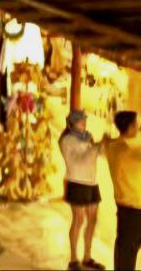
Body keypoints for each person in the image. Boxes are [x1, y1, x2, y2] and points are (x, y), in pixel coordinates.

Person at [60, 110, 105, 270]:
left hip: (92, 182)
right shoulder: (67, 140)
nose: (84, 123)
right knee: (78, 221)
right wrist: (95, 148)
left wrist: (102, 146)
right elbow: (77, 161)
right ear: (72, 123)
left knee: (92, 220)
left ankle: (87, 256)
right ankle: (73, 259)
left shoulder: (87, 136)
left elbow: (96, 155)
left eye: (84, 120)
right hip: (77, 182)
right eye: (80, 121)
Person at [106, 110, 141, 271]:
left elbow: (111, 140)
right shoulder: (132, 151)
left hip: (125, 212)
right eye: (136, 123)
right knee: (126, 257)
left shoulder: (113, 147)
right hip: (136, 211)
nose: (139, 126)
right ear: (130, 127)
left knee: (124, 255)